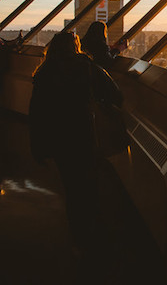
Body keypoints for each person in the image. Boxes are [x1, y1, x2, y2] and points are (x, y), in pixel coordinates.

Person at [29, 32, 123, 253]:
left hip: (59, 139)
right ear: (77, 47)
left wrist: (38, 148)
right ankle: (95, 235)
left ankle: (78, 232)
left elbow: (37, 114)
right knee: (89, 183)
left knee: (72, 185)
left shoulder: (43, 74)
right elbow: (115, 94)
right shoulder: (87, 67)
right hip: (83, 134)